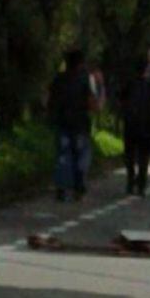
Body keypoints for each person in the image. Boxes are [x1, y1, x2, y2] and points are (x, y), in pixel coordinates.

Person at [48, 49, 95, 202]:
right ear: (80, 63)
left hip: (62, 122)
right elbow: (90, 101)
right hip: (80, 123)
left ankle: (61, 188)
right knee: (80, 157)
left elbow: (51, 100)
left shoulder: (58, 79)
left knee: (63, 156)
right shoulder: (84, 79)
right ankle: (78, 188)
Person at [120, 57, 150, 197]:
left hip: (130, 124)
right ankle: (141, 186)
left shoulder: (129, 82)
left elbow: (121, 99)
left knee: (130, 155)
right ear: (147, 69)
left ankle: (130, 182)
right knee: (143, 156)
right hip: (146, 124)